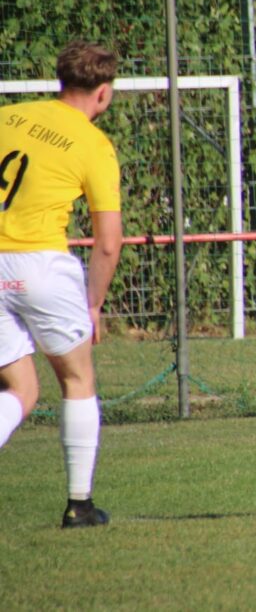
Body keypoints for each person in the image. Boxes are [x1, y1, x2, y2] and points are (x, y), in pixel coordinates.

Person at [0, 40, 123, 527]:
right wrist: (92, 304)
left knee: (20, 389)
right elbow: (108, 243)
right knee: (76, 379)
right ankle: (80, 505)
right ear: (103, 93)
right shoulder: (93, 144)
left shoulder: (8, 116)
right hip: (41, 265)